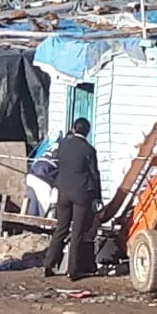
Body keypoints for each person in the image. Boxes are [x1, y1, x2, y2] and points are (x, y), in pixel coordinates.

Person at [42, 118, 102, 280]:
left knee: (60, 228)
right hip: (81, 194)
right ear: (87, 132)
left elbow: (59, 165)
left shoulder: (63, 145)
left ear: (73, 128)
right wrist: (97, 196)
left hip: (63, 192)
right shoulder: (89, 150)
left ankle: (48, 264)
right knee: (77, 232)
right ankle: (73, 270)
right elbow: (94, 174)